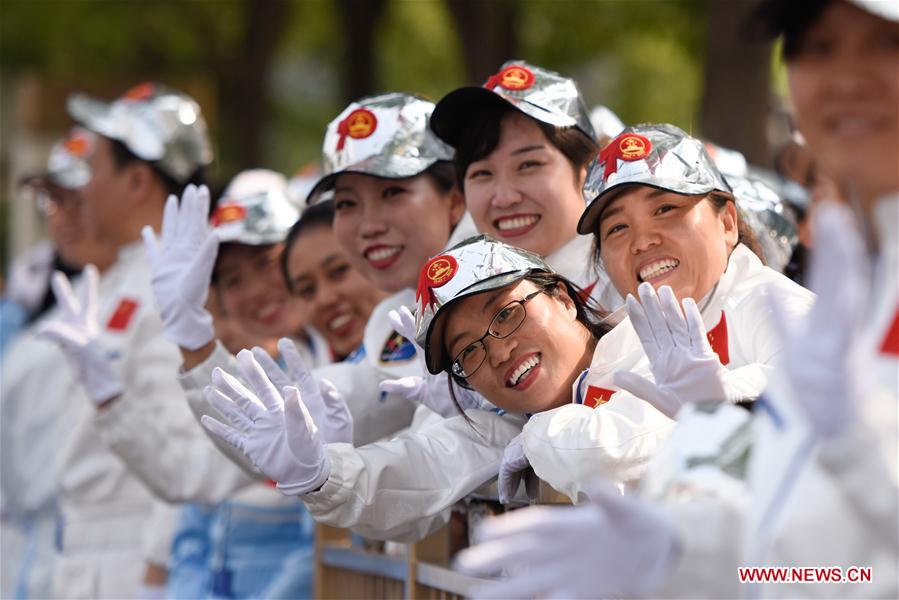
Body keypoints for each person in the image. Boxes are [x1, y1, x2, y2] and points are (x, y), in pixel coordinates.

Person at [455, 1, 898, 597]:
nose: (644, 240)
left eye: (667, 209)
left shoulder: (783, 309)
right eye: (616, 229)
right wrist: (689, 551)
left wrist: (733, 401)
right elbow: (817, 557)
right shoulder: (624, 341)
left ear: (726, 221)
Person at [32, 82, 212, 599]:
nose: (82, 190)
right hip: (88, 553)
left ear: (137, 180)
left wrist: (156, 569)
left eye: (94, 171)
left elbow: (183, 441)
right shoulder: (121, 279)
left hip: (131, 562)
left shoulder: (170, 284)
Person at [0, 129, 118, 600]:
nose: (64, 216)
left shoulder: (165, 308)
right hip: (37, 563)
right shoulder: (32, 339)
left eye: (78, 198)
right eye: (53, 199)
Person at [430, 60, 622, 314]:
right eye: (482, 173)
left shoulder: (631, 282)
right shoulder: (467, 310)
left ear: (587, 169)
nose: (505, 197)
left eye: (528, 165)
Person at [280, 200, 388, 361]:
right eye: (306, 290)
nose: (325, 299)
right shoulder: (312, 381)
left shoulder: (436, 345)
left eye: (339, 270)